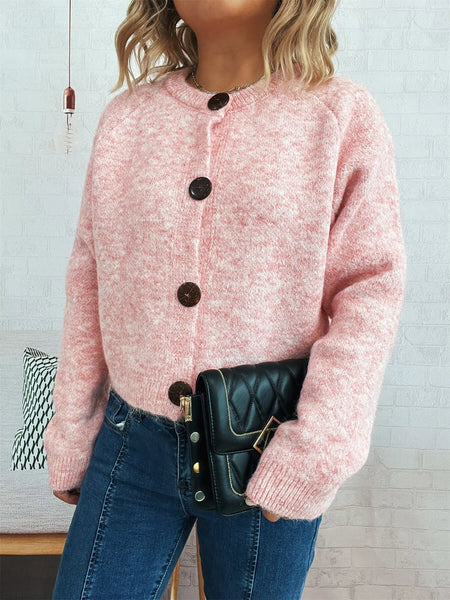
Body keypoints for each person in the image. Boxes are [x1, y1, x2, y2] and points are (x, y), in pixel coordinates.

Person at [43, 0, 407, 598]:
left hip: (264, 446)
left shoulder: (338, 116)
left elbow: (369, 291)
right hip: (130, 444)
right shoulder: (126, 121)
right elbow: (89, 282)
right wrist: (73, 430)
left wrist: (315, 450)